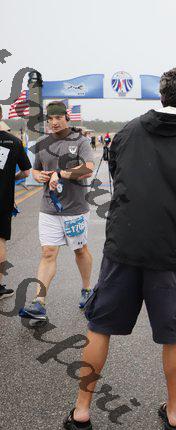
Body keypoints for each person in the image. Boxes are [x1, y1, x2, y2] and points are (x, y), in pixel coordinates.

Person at [64, 68, 176, 430]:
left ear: (161, 97)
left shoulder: (127, 132)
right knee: (173, 333)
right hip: (170, 252)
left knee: (99, 325)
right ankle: (174, 412)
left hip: (123, 245)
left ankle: (82, 409)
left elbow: (118, 175)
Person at [18, 101, 95, 321]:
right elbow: (35, 170)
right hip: (49, 208)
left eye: (58, 118)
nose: (54, 122)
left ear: (66, 117)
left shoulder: (80, 141)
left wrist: (60, 174)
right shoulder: (43, 143)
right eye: (50, 119)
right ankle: (39, 302)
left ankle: (87, 289)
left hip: (75, 209)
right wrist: (38, 175)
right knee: (48, 253)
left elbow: (88, 169)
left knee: (80, 250)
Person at [0, 104, 31, 298]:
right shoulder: (13, 142)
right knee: (0, 241)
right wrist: (11, 177)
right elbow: (26, 172)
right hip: (3, 199)